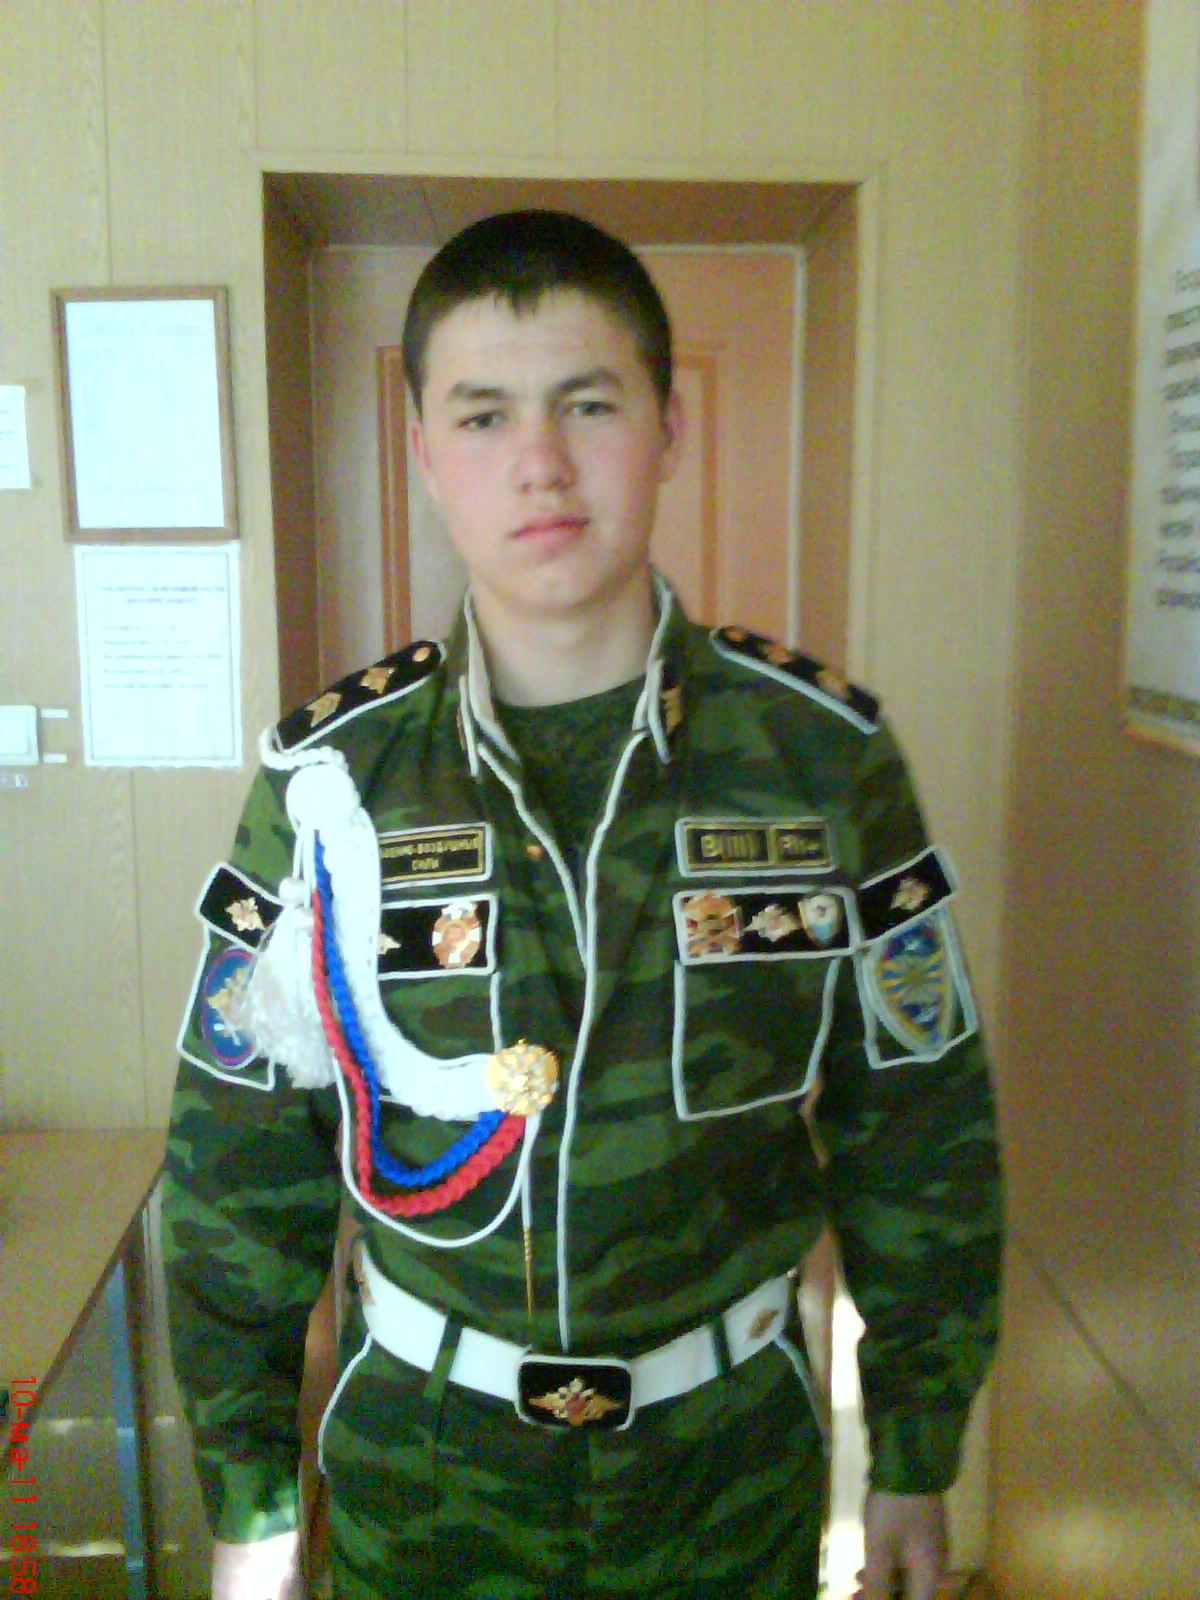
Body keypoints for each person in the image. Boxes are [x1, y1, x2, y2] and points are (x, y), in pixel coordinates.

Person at [162, 208, 1003, 1600]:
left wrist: (914, 1448)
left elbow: (918, 1125)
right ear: (423, 451)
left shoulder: (819, 758)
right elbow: (238, 1166)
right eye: (483, 415)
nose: (541, 462)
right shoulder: (332, 783)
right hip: (424, 1480)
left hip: (726, 1476)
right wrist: (250, 1505)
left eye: (589, 403)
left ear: (669, 424)